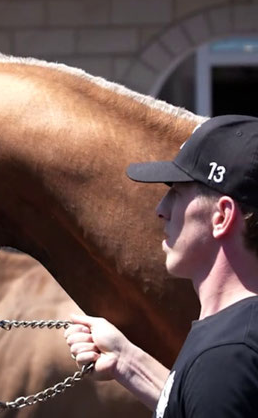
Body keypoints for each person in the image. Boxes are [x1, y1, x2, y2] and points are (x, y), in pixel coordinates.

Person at [64, 115, 258, 417]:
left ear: (221, 217)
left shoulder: (226, 358)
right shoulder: (233, 344)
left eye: (178, 192)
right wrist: (125, 361)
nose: (161, 209)